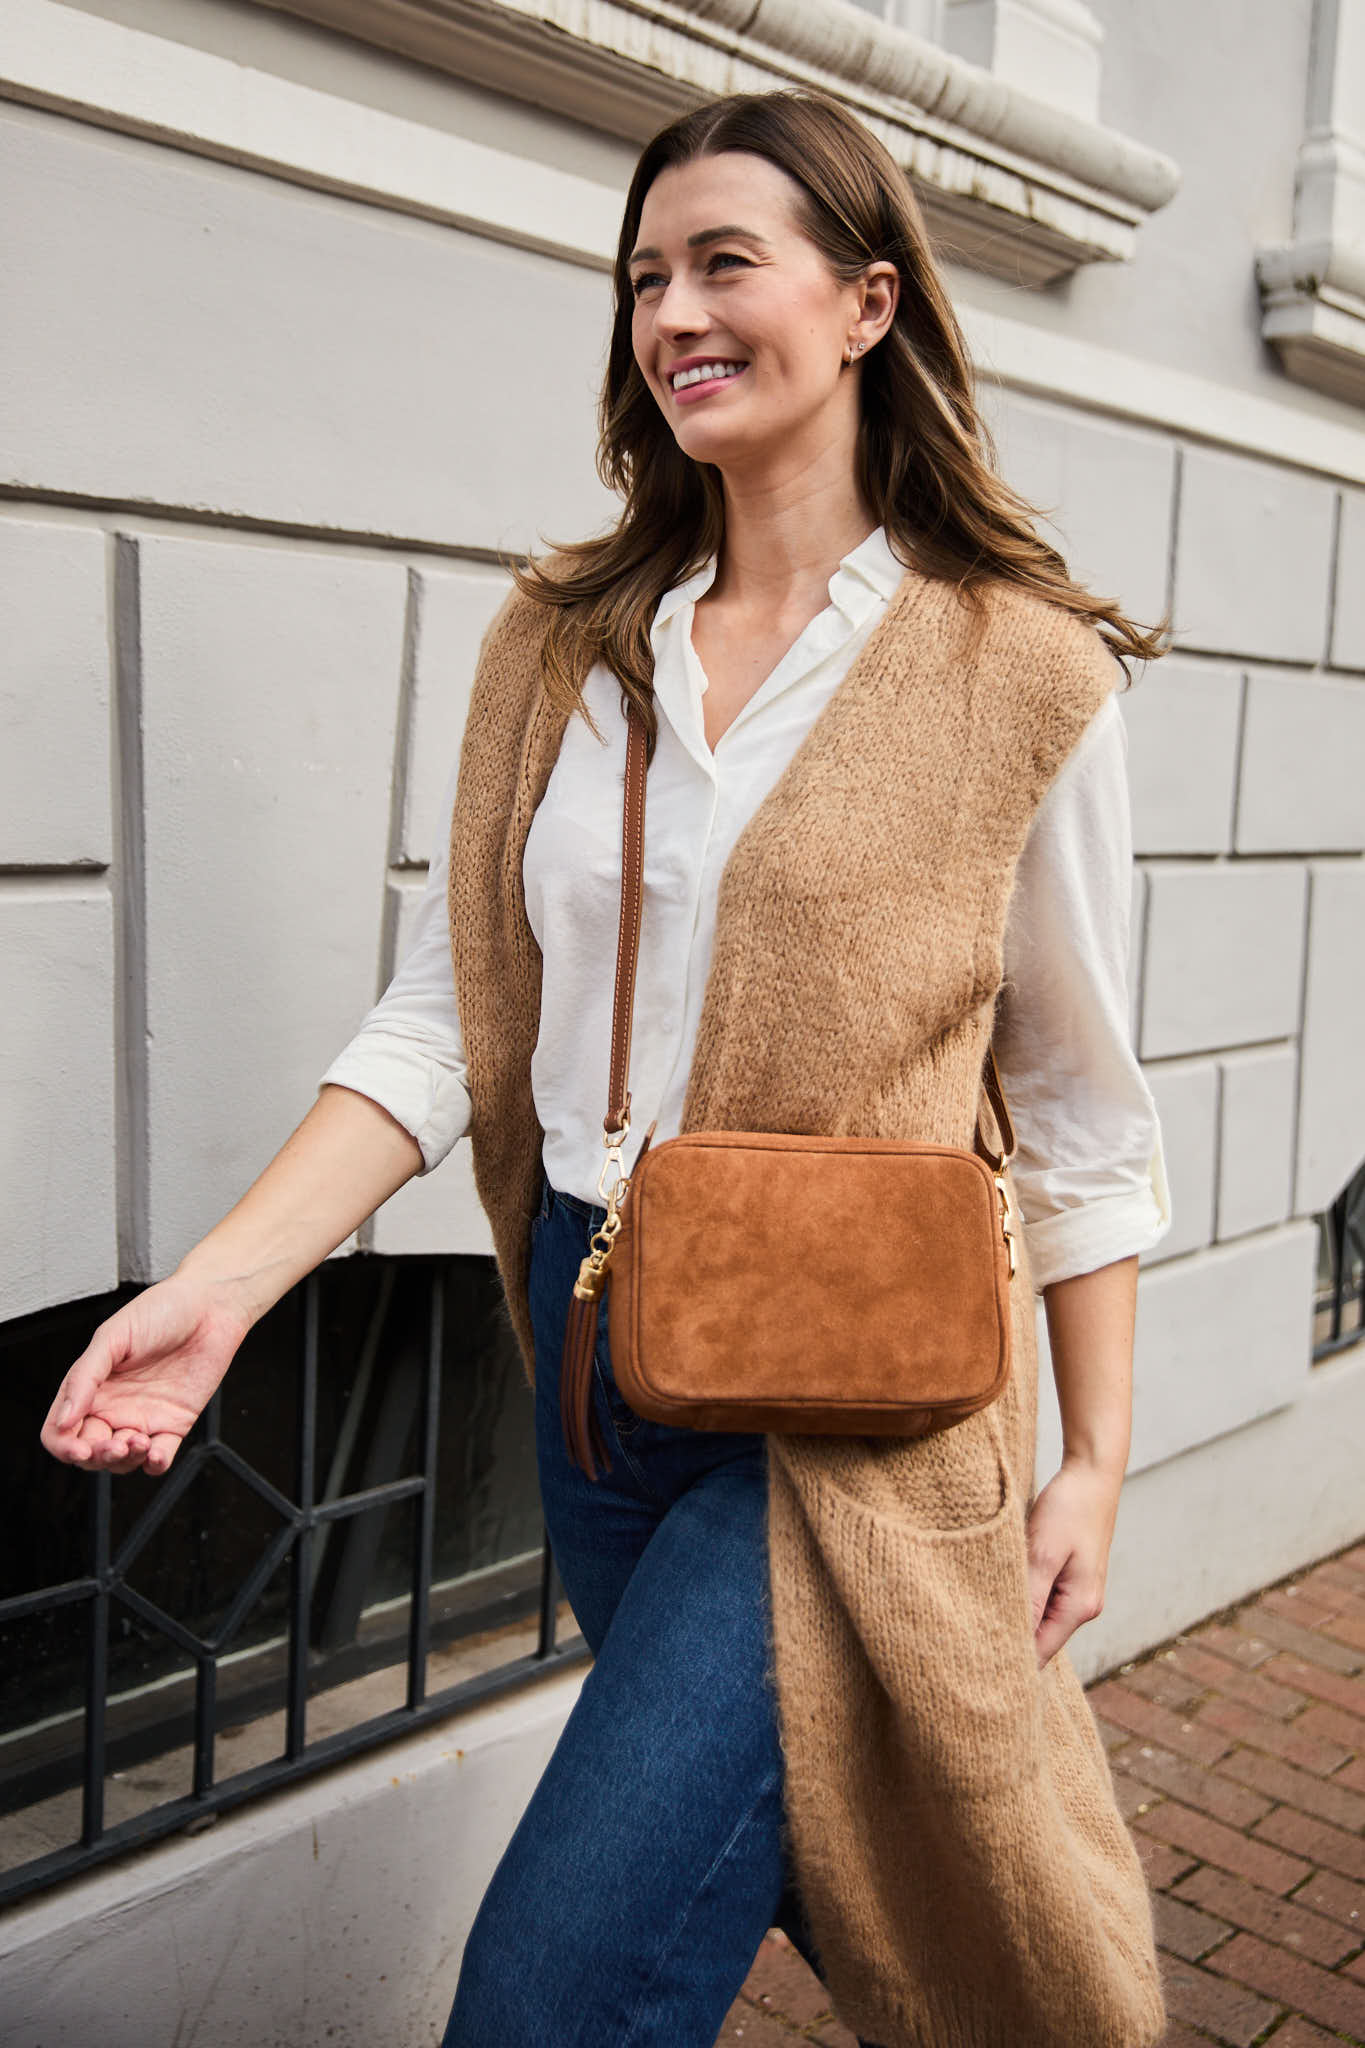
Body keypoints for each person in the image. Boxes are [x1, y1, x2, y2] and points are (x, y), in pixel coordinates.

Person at [41, 88, 1173, 2048]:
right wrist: (222, 1290)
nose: (672, 315)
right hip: (591, 1360)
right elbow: (447, 1025)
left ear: (868, 303)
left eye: (725, 263)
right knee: (789, 1878)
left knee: (552, 1990)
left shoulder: (1017, 670)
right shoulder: (562, 642)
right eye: (645, 277)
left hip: (848, 1407)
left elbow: (1077, 1109)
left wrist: (1090, 1459)